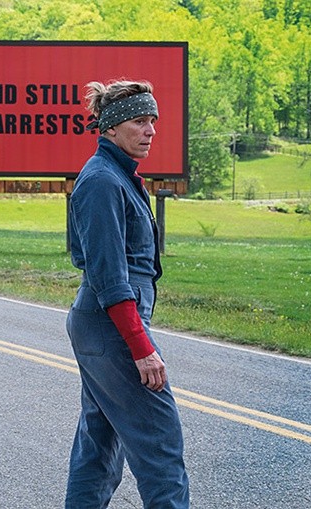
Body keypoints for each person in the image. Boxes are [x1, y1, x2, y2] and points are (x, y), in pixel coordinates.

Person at [64, 79, 189, 508]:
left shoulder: (117, 176)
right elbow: (109, 277)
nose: (151, 130)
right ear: (111, 128)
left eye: (153, 120)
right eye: (140, 120)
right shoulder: (101, 181)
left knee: (99, 446)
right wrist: (141, 346)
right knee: (160, 446)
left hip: (105, 325)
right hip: (111, 325)